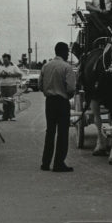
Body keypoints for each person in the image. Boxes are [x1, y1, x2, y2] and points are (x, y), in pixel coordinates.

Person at [40, 41, 76, 172]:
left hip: (49, 102)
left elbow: (40, 85)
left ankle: (45, 163)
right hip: (62, 102)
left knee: (50, 132)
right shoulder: (67, 67)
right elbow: (71, 88)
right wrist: (67, 95)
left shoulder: (46, 66)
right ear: (64, 52)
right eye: (67, 52)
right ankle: (58, 163)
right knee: (62, 133)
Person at [0, 53, 22, 120]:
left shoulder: (14, 66)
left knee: (10, 101)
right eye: (4, 60)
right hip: (3, 85)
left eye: (6, 60)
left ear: (9, 60)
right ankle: (5, 116)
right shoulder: (0, 67)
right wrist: (1, 74)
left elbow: (19, 74)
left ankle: (11, 116)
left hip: (11, 85)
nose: (5, 62)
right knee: (4, 101)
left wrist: (10, 74)